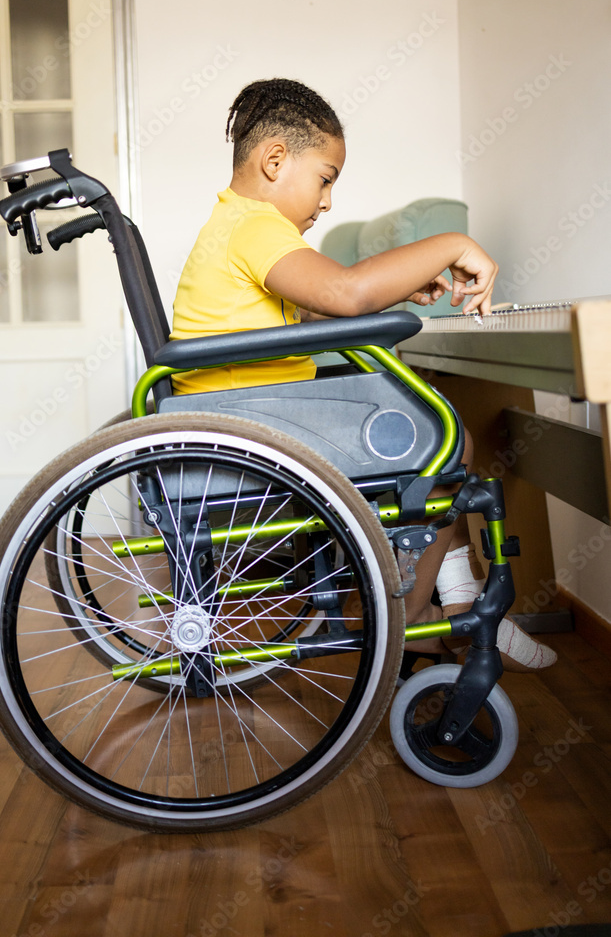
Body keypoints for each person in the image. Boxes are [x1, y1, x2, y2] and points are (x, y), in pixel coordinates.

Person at [171, 77, 556, 672]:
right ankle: (419, 619)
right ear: (275, 160)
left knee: (431, 432)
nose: (328, 202)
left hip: (245, 412)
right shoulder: (254, 227)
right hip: (254, 426)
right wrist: (451, 244)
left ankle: (445, 605)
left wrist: (399, 284)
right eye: (325, 178)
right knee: (446, 443)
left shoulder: (231, 224)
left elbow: (314, 305)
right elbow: (346, 293)